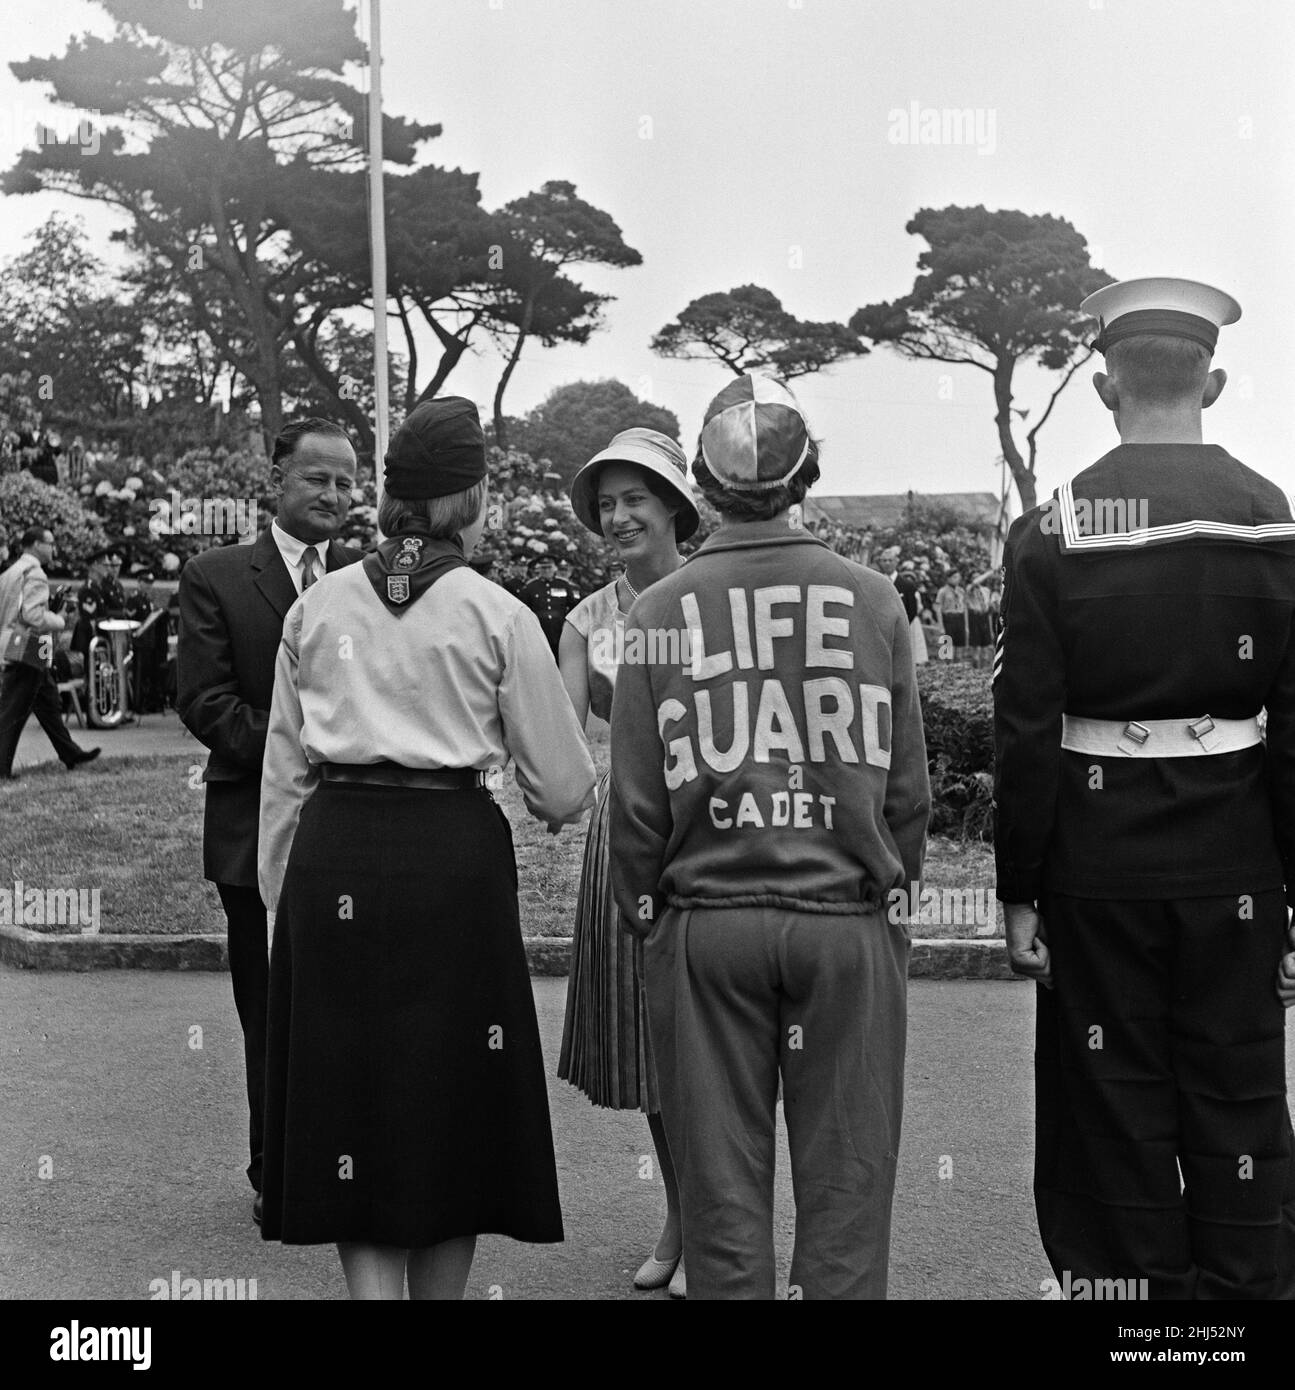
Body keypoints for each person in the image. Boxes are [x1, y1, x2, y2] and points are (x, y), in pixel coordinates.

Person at [995, 277, 1295, 1299]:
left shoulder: (1051, 527)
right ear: (1211, 380)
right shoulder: (1273, 519)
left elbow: (1024, 727)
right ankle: (1244, 1295)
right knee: (1237, 1084)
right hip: (1237, 861)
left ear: (1100, 386)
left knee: (1111, 1095)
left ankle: (1136, 1310)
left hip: (1096, 859)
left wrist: (1017, 887)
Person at [256, 397, 596, 1300]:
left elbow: (285, 769)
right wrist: (541, 798)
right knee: (452, 1090)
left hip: (332, 852)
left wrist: (279, 901)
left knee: (349, 1092)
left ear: (390, 498)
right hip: (452, 860)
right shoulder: (496, 611)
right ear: (472, 498)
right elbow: (563, 785)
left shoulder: (318, 603)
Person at [609, 374, 930, 1299]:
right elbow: (906, 794)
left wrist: (652, 918)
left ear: (701, 492)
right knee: (847, 1193)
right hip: (846, 919)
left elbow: (634, 805)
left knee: (718, 1202)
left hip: (705, 923)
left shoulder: (658, 611)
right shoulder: (874, 602)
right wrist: (888, 901)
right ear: (807, 481)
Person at [177, 418, 363, 1226]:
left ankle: (351, 1167)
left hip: (357, 832)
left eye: (347, 483)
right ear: (275, 481)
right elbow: (204, 701)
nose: (334, 496)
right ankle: (276, 1174)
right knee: (271, 1011)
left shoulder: (372, 580)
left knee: (352, 1009)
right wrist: (308, 751)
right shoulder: (216, 576)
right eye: (317, 479)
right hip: (255, 832)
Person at [557, 427, 699, 1298]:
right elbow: (563, 751)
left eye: (633, 498)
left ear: (675, 505)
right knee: (651, 1044)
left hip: (717, 827)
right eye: (604, 504)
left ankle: (721, 1220)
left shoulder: (718, 592)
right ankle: (682, 1219)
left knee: (714, 1036)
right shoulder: (586, 619)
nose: (617, 517)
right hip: (628, 832)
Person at [0, 527, 100, 779]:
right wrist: (59, 618)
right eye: (50, 543)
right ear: (35, 545)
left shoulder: (11, 572)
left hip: (18, 643)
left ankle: (70, 752)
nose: (53, 548)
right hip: (28, 645)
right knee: (14, 708)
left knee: (47, 700)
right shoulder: (35, 574)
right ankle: (1, 766)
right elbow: (33, 616)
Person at [519, 555, 580, 659]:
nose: (547, 571)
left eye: (549, 567)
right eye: (544, 568)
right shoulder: (530, 586)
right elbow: (523, 611)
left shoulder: (563, 585)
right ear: (539, 569)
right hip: (539, 633)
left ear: (555, 568)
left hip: (560, 632)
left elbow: (574, 608)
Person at [934, 568, 967, 660]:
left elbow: (964, 608)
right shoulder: (943, 591)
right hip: (948, 619)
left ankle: (958, 669)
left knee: (959, 646)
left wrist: (966, 625)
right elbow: (938, 609)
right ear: (948, 578)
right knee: (947, 647)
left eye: (958, 577)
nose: (957, 579)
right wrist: (941, 626)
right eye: (954, 577)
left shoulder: (961, 591)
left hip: (959, 618)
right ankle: (947, 668)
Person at [964, 571, 993, 671]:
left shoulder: (986, 590)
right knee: (975, 646)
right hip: (974, 617)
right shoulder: (969, 589)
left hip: (984, 617)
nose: (978, 579)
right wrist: (990, 572)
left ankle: (984, 670)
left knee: (986, 646)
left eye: (979, 577)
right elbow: (975, 583)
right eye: (975, 577)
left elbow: (988, 607)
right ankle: (975, 670)